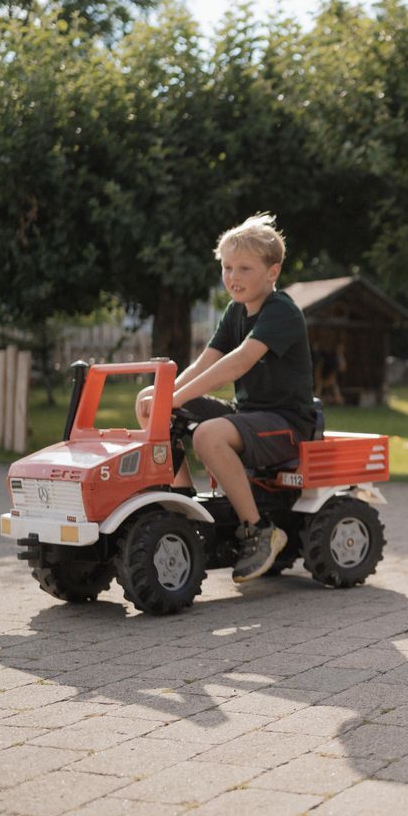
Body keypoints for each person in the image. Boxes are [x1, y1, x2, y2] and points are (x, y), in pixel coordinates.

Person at [136, 213, 317, 583]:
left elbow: (238, 363)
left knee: (207, 435)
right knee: (147, 398)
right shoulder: (235, 312)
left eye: (245, 268)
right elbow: (206, 362)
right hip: (249, 415)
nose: (233, 277)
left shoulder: (280, 310)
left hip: (287, 424)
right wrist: (166, 396)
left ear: (272, 272)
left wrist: (176, 397)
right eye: (227, 267)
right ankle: (180, 499)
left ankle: (260, 530)